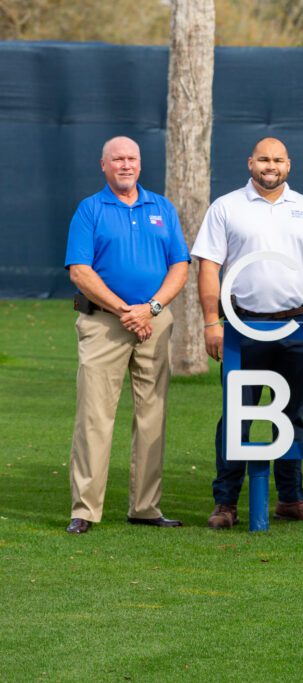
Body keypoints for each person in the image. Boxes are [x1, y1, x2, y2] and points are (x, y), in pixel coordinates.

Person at [193, 137, 303, 529]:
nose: (270, 165)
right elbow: (208, 268)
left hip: (297, 326)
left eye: (277, 160)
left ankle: (291, 499)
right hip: (243, 326)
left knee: (291, 415)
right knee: (236, 417)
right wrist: (211, 321)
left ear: (288, 165)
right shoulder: (226, 207)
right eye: (263, 159)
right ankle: (225, 503)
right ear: (250, 162)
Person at [63, 136, 190, 534]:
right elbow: (80, 271)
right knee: (95, 416)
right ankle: (84, 509)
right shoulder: (90, 209)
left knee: (152, 416)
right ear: (104, 165)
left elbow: (180, 266)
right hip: (104, 324)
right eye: (117, 159)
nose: (125, 164)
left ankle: (145, 507)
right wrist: (125, 310)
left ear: (140, 163)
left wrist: (149, 308)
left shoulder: (162, 207)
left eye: (132, 158)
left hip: (153, 322)